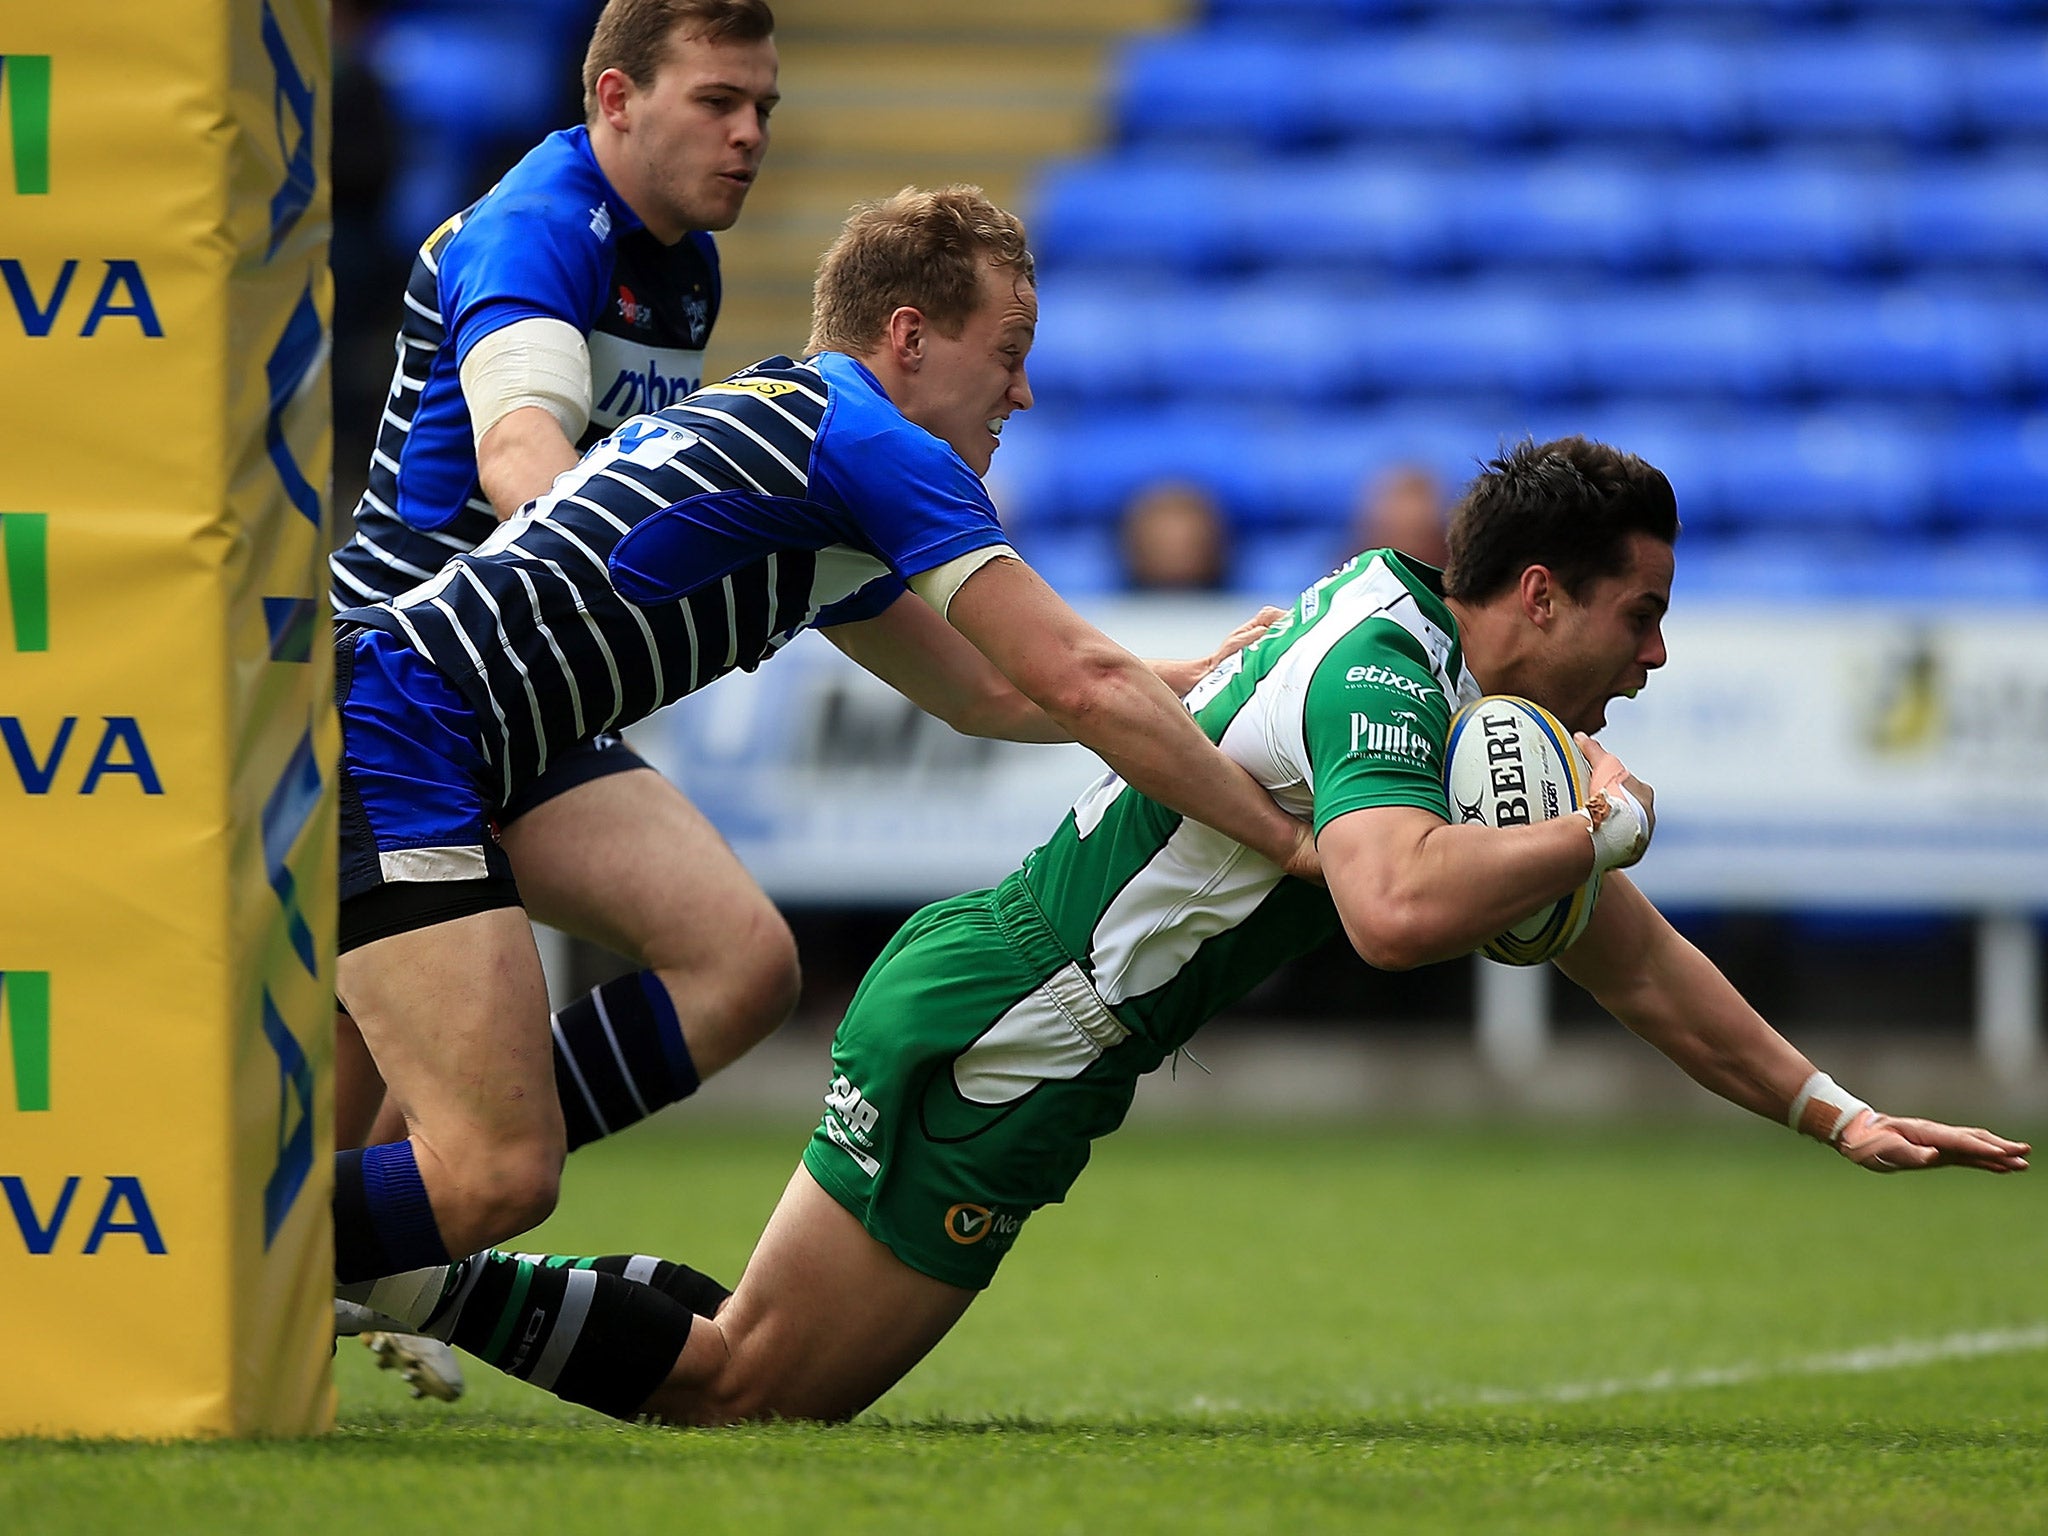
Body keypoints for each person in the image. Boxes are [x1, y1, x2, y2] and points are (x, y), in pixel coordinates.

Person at [337, 434, 2028, 1425]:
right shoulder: (1390, 671)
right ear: (1537, 597)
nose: (1650, 656)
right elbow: (1384, 909)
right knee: (749, 1393)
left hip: (1007, 998)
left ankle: (390, 1267)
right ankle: (380, 1257)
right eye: (1637, 613)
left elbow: (1618, 952)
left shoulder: (1428, 676)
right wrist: (1594, 822)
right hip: (1017, 1027)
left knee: (753, 1373)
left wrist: (1828, 1109)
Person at [326, 184, 1323, 1418]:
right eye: (1005, 354)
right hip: (404, 734)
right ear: (907, 338)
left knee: (494, 1126)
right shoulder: (872, 447)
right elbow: (1073, 679)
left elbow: (993, 694)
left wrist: (1182, 677)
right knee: (488, 1173)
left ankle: (311, 1260)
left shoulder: (808, 437)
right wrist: (1285, 839)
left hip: (442, 737)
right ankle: (204, 1252)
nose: (1018, 392)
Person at [324, 0, 787, 1400]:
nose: (752, 132)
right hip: (405, 681)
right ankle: (367, 1264)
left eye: (765, 104)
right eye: (719, 100)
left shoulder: (685, 267)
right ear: (612, 99)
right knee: (359, 1139)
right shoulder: (539, 224)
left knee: (742, 962)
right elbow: (526, 449)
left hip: (519, 698)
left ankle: (399, 1259)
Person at [1118, 478, 1230, 591]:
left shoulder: (1240, 603)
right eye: (1161, 546)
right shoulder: (1107, 604)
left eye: (1188, 547)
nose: (1175, 554)